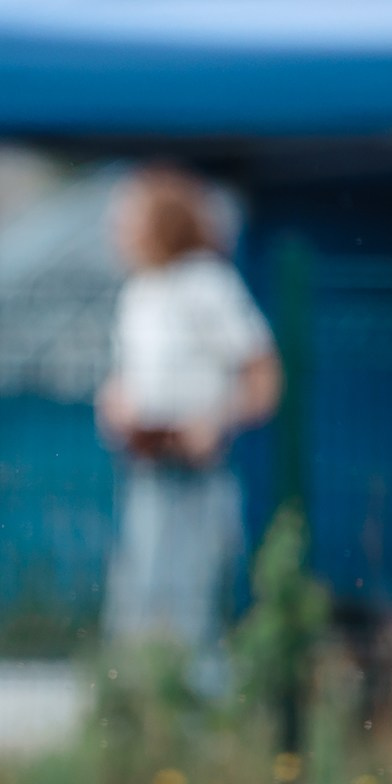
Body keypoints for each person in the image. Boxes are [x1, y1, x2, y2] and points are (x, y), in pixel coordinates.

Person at [94, 165, 281, 692]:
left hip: (199, 473)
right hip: (148, 465)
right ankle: (140, 707)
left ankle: (201, 714)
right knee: (139, 596)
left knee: (193, 603)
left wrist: (214, 420)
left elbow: (264, 378)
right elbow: (137, 378)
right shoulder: (139, 293)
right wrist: (118, 402)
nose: (117, 231)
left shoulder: (207, 285)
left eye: (129, 219)